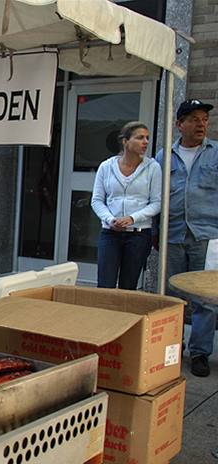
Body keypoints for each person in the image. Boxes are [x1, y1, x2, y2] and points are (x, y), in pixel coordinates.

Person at [155, 99, 218, 377]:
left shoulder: (216, 153)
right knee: (173, 296)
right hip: (173, 234)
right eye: (194, 118)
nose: (201, 124)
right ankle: (172, 347)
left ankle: (200, 353)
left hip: (207, 236)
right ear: (179, 124)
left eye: (204, 119)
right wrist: (155, 231)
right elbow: (155, 196)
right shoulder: (163, 156)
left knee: (205, 297)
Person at [91, 121, 161, 290]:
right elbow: (97, 200)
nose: (145, 142)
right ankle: (103, 316)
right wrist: (110, 219)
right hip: (110, 233)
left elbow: (157, 202)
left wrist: (132, 218)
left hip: (138, 234)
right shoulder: (106, 167)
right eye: (140, 138)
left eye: (147, 138)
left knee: (128, 286)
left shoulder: (152, 167)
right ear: (125, 141)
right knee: (105, 284)